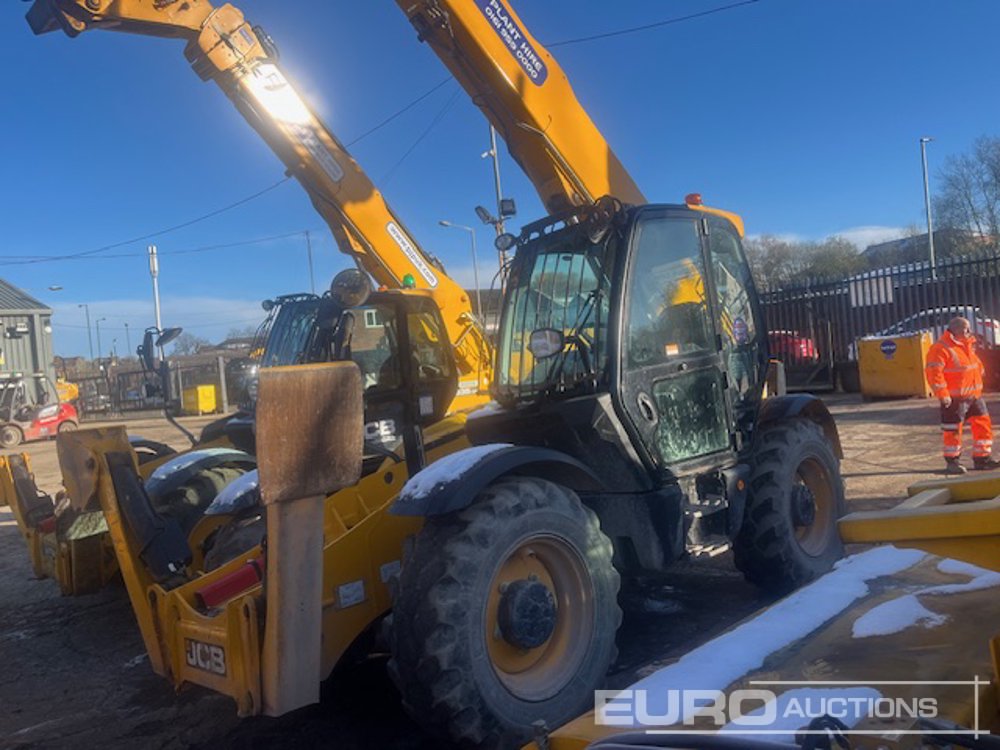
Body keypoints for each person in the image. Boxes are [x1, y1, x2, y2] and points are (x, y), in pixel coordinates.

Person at [925, 316, 1000, 474]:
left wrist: (980, 371)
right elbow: (934, 374)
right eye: (966, 329)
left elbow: (973, 362)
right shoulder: (940, 348)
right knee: (952, 430)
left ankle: (982, 458)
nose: (969, 332)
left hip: (974, 395)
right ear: (957, 330)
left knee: (983, 425)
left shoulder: (966, 344)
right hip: (954, 398)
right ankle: (952, 461)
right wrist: (943, 394)